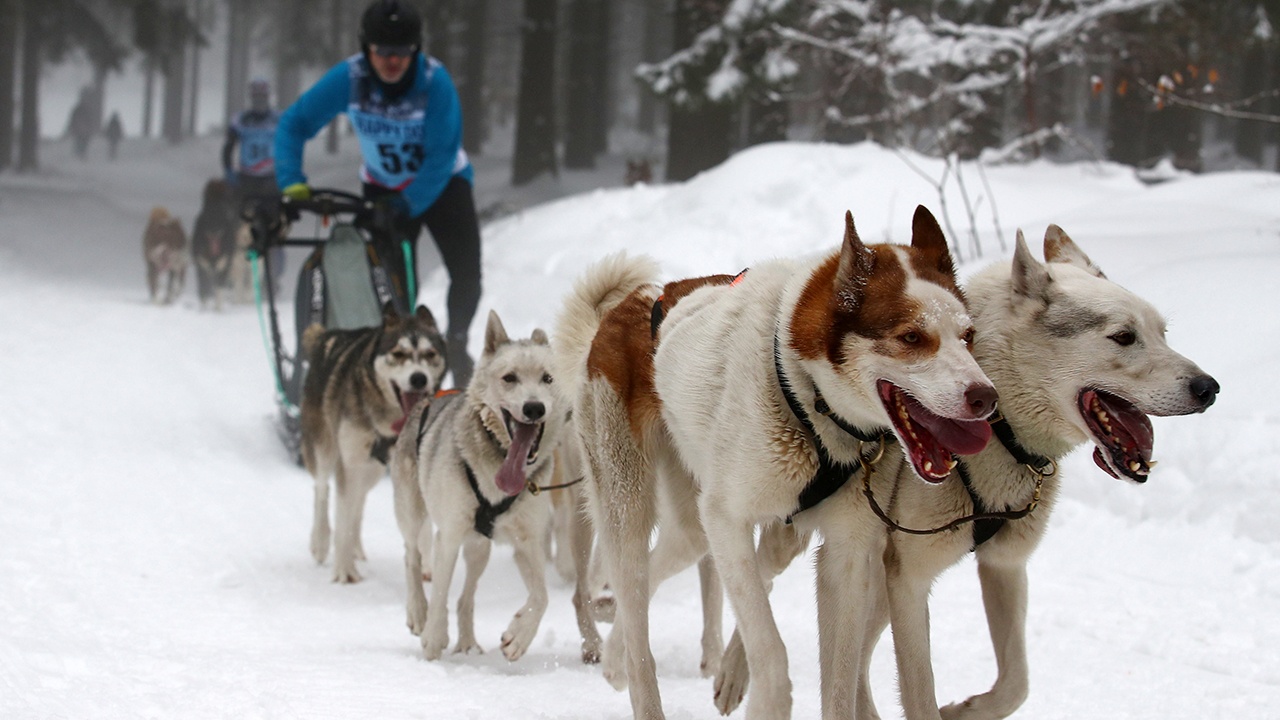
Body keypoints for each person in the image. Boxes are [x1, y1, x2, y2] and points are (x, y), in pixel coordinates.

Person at [275, 0, 481, 386]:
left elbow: (441, 155)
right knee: (391, 285)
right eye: (382, 52)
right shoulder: (349, 78)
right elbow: (294, 123)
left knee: (466, 271)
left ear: (415, 50)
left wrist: (409, 201)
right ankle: (401, 364)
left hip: (443, 185)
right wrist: (292, 183)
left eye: (402, 53)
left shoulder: (435, 83)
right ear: (366, 49)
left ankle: (455, 344)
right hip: (382, 188)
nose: (391, 62)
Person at [224, 78, 284, 284]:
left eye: (263, 97)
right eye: (256, 97)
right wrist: (229, 172)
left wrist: (286, 173)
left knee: (275, 229)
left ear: (268, 98)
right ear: (251, 98)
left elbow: (290, 145)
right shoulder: (241, 120)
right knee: (239, 226)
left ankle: (273, 277)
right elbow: (228, 147)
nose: (260, 101)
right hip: (246, 180)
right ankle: (235, 275)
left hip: (271, 179)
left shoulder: (278, 119)